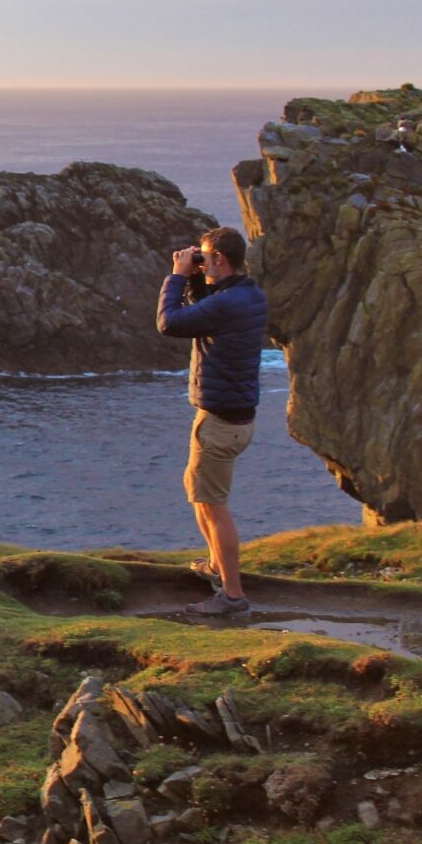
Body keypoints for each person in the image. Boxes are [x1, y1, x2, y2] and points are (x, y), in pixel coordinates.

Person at [156, 227, 268, 616]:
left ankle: (233, 597)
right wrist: (195, 281)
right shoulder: (248, 295)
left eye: (205, 257)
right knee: (202, 496)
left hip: (219, 422)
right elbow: (207, 314)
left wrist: (175, 276)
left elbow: (170, 323)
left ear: (219, 258)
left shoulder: (227, 303)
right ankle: (216, 566)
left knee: (213, 506)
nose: (200, 262)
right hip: (236, 418)